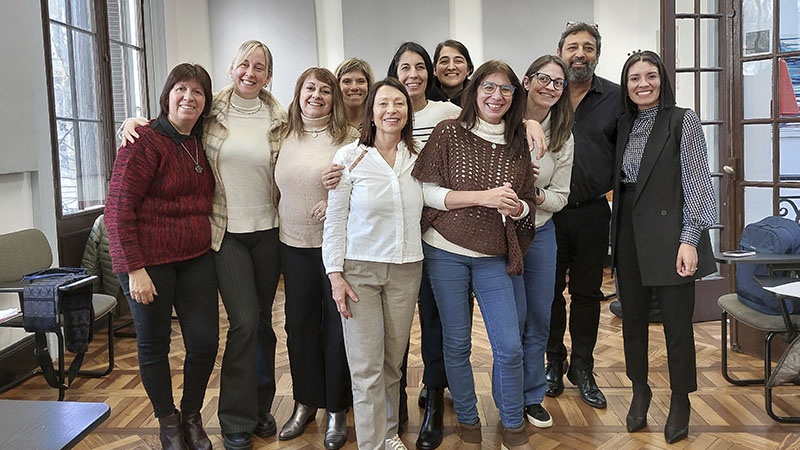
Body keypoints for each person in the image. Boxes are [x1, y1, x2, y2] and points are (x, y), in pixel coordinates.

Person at [119, 40, 287, 450]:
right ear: (232, 68)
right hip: (198, 243)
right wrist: (131, 121)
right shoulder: (185, 123)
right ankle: (200, 420)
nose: (251, 72)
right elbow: (119, 207)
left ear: (269, 74)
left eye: (260, 66)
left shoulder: (279, 117)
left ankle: (223, 411)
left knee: (235, 332)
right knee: (229, 325)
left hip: (233, 242)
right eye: (244, 63)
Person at [412, 60, 537, 450]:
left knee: (509, 345)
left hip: (495, 255)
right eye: (488, 87)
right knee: (457, 344)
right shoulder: (449, 132)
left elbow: (529, 203)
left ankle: (513, 423)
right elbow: (426, 192)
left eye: (505, 89)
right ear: (474, 90)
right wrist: (483, 198)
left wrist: (518, 209)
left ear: (514, 96)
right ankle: (468, 420)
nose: (496, 96)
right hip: (444, 251)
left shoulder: (518, 141)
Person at [322, 77, 442, 450]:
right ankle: (372, 445)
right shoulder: (349, 156)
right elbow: (336, 218)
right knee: (366, 368)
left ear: (408, 112)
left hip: (407, 269)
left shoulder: (420, 156)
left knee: (392, 365)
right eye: (384, 104)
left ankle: (388, 433)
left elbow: (438, 197)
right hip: (359, 271)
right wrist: (335, 275)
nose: (392, 111)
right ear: (371, 113)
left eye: (400, 104)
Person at [105, 63, 217, 450]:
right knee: (154, 343)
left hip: (196, 256)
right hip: (147, 261)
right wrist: (134, 269)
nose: (189, 97)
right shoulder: (143, 142)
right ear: (166, 95)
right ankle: (168, 424)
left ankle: (191, 415)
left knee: (203, 342)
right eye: (181, 89)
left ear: (206, 102)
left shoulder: (199, 139)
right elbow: (117, 211)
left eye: (198, 91)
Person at [611, 50, 715, 444]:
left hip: (671, 236)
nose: (642, 84)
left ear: (662, 79)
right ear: (626, 85)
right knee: (632, 322)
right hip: (627, 235)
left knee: (676, 328)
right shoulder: (622, 123)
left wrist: (689, 239)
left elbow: (698, 184)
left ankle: (681, 399)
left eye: (650, 76)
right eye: (634, 77)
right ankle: (640, 391)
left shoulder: (681, 120)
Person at [273, 67, 359, 449]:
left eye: (326, 91)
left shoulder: (350, 138)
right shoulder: (281, 134)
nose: (317, 96)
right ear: (299, 92)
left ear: (334, 98)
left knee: (338, 329)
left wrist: (335, 200)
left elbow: (364, 189)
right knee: (299, 326)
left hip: (336, 249)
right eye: (311, 88)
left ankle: (338, 409)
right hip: (292, 245)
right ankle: (305, 402)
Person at [387, 41, 460, 448]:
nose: (412, 74)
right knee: (393, 323)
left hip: (435, 232)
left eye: (419, 67)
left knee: (433, 320)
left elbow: (493, 123)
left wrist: (531, 123)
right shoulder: (383, 111)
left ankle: (434, 396)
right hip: (391, 235)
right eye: (404, 67)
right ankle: (393, 399)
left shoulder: (447, 113)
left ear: (430, 73)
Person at [545, 22, 621, 409]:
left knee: (588, 293)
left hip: (592, 212)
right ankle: (553, 364)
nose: (580, 54)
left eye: (588, 48)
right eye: (573, 46)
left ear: (597, 54)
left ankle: (583, 367)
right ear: (560, 51)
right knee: (549, 292)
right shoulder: (543, 95)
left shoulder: (616, 97)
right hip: (545, 214)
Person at [518, 55, 574, 429]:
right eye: (543, 78)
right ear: (526, 81)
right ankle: (508, 393)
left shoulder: (564, 134)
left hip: (540, 233)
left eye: (558, 82)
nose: (550, 87)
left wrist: (535, 194)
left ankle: (531, 396)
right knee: (510, 321)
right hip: (495, 233)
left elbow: (561, 196)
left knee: (539, 317)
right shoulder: (499, 115)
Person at [431, 39, 474, 107]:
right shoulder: (423, 99)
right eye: (444, 61)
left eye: (458, 61)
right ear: (435, 70)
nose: (451, 67)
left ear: (468, 69)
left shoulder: (479, 100)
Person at [335, 58, 374, 129]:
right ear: (337, 86)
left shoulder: (379, 122)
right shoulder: (329, 123)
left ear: (368, 85)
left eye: (360, 81)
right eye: (347, 81)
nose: (354, 87)